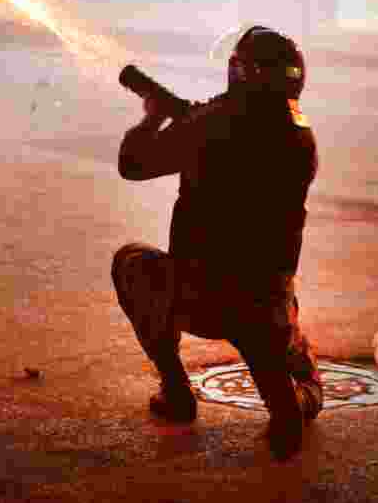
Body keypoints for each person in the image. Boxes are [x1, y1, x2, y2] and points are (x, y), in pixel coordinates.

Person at [112, 25, 323, 461]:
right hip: (268, 306)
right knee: (295, 372)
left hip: (201, 297)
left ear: (241, 72)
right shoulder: (301, 135)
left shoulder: (211, 125)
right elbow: (243, 142)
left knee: (131, 263)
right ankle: (294, 401)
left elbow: (131, 164)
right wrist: (196, 122)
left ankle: (175, 389)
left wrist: (153, 117)